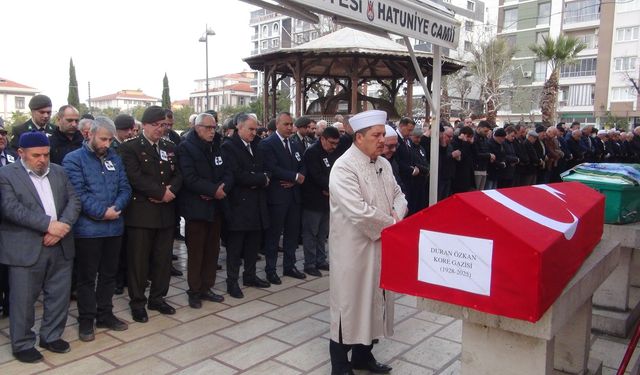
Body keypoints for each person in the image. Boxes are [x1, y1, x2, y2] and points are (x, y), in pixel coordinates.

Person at [328, 109, 407, 375]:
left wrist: (397, 213)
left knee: (377, 301)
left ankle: (363, 356)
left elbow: (399, 195)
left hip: (382, 244)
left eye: (383, 134)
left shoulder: (383, 164)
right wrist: (394, 224)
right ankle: (339, 367)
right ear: (359, 138)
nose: (382, 140)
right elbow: (358, 211)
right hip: (354, 250)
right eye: (376, 135)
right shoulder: (344, 167)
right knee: (349, 305)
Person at [0, 132, 80, 363]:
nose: (42, 160)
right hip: (25, 247)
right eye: (36, 155)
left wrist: (62, 226)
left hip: (60, 243)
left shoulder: (59, 171)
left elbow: (74, 200)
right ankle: (22, 343)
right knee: (23, 300)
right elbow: (11, 208)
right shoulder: (6, 175)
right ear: (21, 153)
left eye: (46, 154)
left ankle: (51, 335)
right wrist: (49, 225)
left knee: (59, 295)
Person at [62, 117, 131, 341]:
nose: (107, 144)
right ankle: (86, 320)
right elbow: (77, 193)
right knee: (86, 277)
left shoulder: (114, 158)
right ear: (89, 135)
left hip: (114, 228)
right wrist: (102, 212)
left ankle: (105, 314)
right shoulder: (73, 160)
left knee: (109, 275)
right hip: (88, 231)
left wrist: (117, 207)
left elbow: (125, 187)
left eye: (110, 140)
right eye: (103, 139)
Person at [119, 106, 182, 323]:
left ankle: (158, 297)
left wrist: (170, 191)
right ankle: (137, 302)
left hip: (165, 212)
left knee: (163, 259)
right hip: (142, 213)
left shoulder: (170, 146)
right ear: (143, 125)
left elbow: (178, 173)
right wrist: (159, 192)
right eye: (155, 125)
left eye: (163, 125)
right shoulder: (131, 148)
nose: (160, 129)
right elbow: (133, 176)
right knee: (139, 261)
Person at [176, 113, 229, 308]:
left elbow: (226, 171)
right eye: (208, 128)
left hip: (215, 206)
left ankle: (207, 286)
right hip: (196, 208)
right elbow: (189, 178)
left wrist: (221, 188)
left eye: (214, 128)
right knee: (197, 251)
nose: (212, 131)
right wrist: (212, 190)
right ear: (198, 128)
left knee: (212, 250)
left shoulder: (216, 146)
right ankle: (194, 290)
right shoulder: (185, 147)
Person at [221, 113, 271, 298]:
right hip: (239, 206)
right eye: (250, 129)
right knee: (236, 247)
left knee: (253, 243)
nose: (254, 132)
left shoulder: (257, 145)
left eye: (256, 129)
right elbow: (236, 175)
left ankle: (250, 275)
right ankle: (231, 281)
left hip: (257, 202)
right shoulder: (229, 147)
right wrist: (260, 178)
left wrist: (261, 177)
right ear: (239, 127)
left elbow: (266, 168)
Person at [258, 111, 307, 285]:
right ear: (277, 124)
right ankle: (270, 269)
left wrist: (297, 178)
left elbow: (302, 165)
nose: (289, 127)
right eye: (286, 124)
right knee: (274, 235)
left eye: (291, 124)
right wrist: (294, 177)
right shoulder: (267, 144)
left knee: (292, 234)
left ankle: (289, 265)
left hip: (293, 196)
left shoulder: (294, 144)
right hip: (277, 197)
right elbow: (271, 167)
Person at [301, 126, 340, 277]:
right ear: (322, 139)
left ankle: (321, 260)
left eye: (336, 143)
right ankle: (309, 263)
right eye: (331, 143)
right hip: (313, 199)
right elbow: (315, 175)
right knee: (311, 233)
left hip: (328, 199)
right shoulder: (312, 152)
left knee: (323, 233)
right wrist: (330, 187)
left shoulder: (332, 152)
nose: (334, 146)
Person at [451, 126, 474, 194]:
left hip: (467, 175)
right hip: (458, 176)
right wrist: (465, 142)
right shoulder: (455, 142)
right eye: (469, 137)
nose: (470, 139)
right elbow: (462, 156)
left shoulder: (468, 143)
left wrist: (470, 143)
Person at [472, 120, 495, 190]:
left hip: (484, 168)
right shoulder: (474, 138)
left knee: (481, 191)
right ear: (479, 128)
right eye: (485, 131)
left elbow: (486, 150)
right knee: (476, 191)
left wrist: (490, 156)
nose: (487, 133)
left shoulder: (485, 139)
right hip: (477, 168)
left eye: (487, 131)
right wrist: (489, 155)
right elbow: (476, 154)